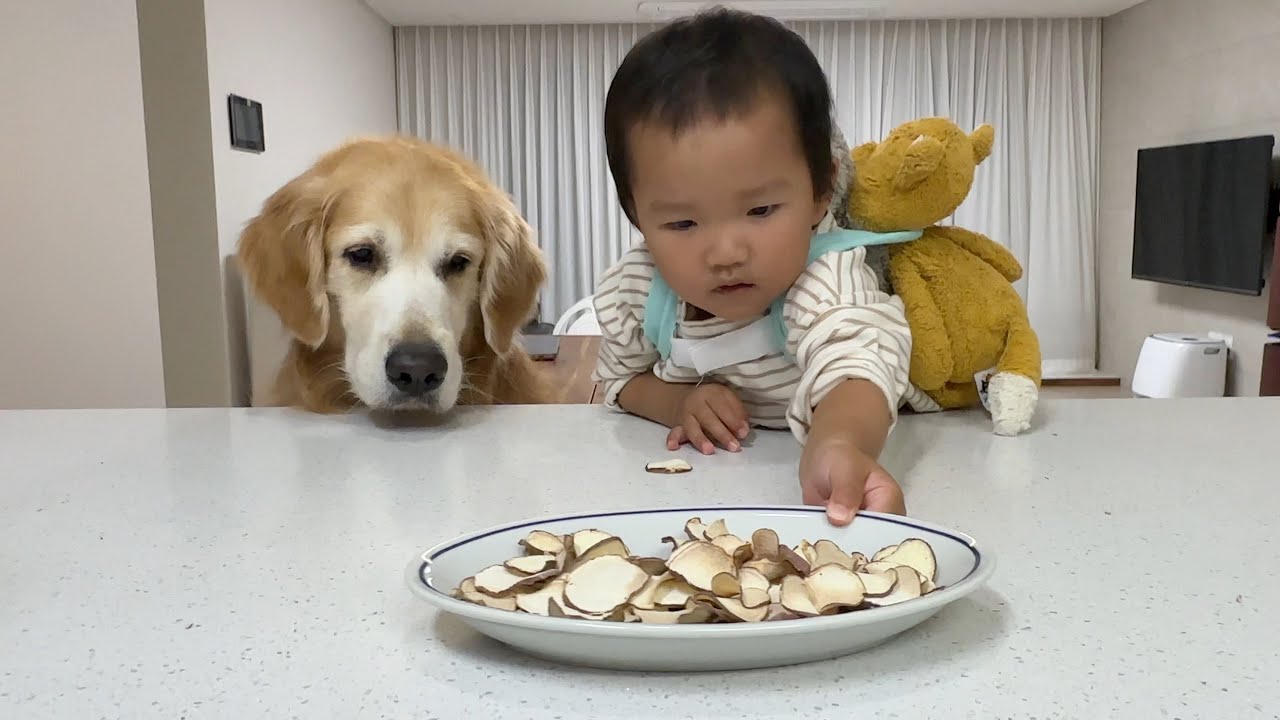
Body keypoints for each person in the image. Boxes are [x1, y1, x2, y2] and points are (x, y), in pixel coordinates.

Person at [592, 7, 915, 525]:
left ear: (820, 190)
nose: (725, 253)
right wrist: (675, 403)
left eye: (761, 211)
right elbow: (618, 381)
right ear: (637, 217)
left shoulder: (824, 279)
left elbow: (858, 368)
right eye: (681, 224)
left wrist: (837, 443)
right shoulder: (639, 289)